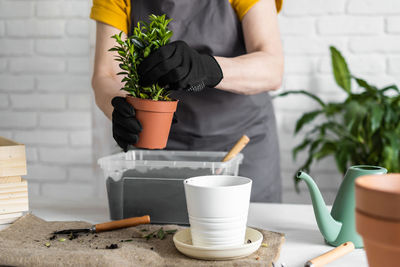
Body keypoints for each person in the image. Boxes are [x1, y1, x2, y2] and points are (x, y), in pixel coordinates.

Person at [90, 0, 284, 202]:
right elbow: (107, 73)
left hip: (241, 145)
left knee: (250, 229)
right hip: (160, 150)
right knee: (157, 230)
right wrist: (118, 106)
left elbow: (272, 68)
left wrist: (207, 67)